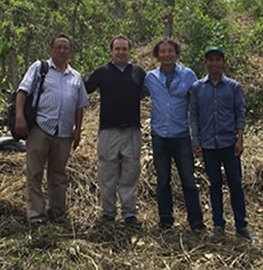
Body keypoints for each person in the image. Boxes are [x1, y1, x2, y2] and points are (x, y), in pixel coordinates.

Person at [14, 34, 89, 227]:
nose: (62, 51)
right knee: (35, 173)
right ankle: (36, 215)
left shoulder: (76, 77)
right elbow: (22, 91)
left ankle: (57, 212)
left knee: (58, 175)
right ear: (51, 50)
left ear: (71, 52)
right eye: (58, 47)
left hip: (64, 134)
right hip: (40, 128)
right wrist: (19, 117)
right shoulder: (40, 69)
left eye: (66, 48)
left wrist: (77, 130)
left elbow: (80, 105)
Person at [142, 37, 205, 231]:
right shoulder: (150, 78)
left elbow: (196, 105)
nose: (166, 55)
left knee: (188, 179)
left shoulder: (188, 75)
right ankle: (166, 220)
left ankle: (196, 222)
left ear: (177, 54)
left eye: (170, 51)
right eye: (163, 52)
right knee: (163, 181)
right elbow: (134, 94)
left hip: (182, 136)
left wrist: (197, 136)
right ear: (157, 55)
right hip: (159, 135)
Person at [190, 46, 253, 240]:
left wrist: (240, 138)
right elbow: (193, 115)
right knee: (214, 184)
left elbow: (239, 112)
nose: (214, 63)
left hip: (229, 143)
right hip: (208, 144)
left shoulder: (233, 86)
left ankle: (241, 225)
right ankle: (218, 224)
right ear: (205, 63)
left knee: (235, 184)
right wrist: (196, 140)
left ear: (223, 63)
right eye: (211, 60)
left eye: (218, 59)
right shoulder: (197, 88)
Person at [84, 35, 146, 228]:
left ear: (129, 51)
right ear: (110, 51)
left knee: (130, 174)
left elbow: (148, 93)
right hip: (108, 131)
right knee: (107, 174)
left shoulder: (138, 72)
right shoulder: (102, 72)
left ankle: (129, 215)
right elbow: (84, 89)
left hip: (132, 131)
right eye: (117, 49)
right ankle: (108, 213)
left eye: (124, 49)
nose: (121, 52)